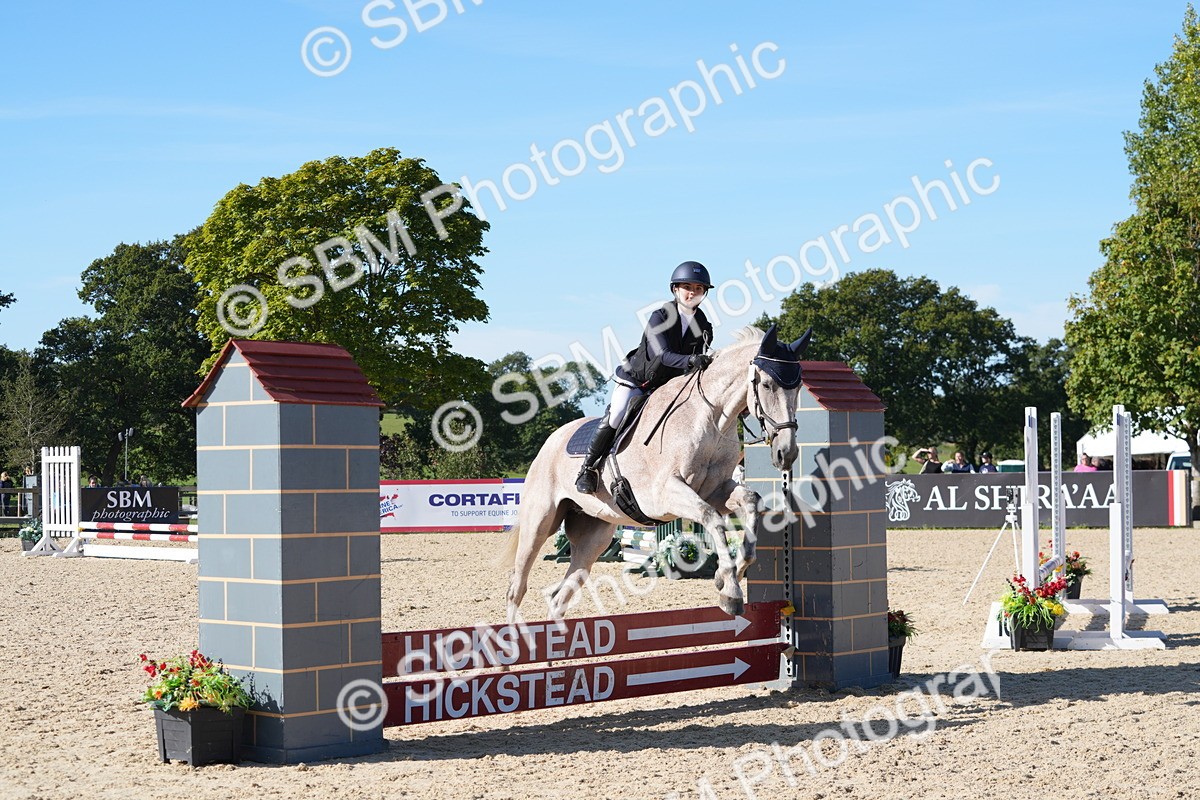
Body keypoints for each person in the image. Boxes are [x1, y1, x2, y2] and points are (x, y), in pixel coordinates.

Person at [575, 261, 715, 494]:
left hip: (667, 388)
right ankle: (587, 468)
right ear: (675, 289)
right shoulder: (659, 317)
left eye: (699, 288)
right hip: (637, 381)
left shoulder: (704, 325)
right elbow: (663, 355)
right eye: (687, 286)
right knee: (618, 414)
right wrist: (691, 361)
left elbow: (699, 360)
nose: (693, 292)